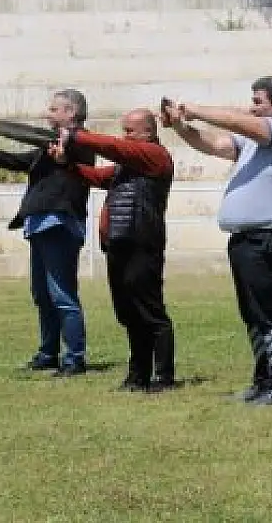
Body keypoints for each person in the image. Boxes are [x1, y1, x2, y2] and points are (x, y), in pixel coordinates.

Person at [162, 77, 272, 406]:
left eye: (258, 101)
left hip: (268, 237)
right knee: (253, 314)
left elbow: (236, 121)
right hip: (246, 239)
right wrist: (181, 126)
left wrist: (193, 109)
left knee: (269, 314)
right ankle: (263, 378)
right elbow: (214, 144)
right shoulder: (255, 142)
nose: (251, 107)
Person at [0, 89, 94, 377]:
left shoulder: (79, 141)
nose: (48, 114)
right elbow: (20, 161)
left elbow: (35, 136)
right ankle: (49, 353)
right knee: (43, 295)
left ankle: (74, 358)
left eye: (54, 109)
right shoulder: (52, 144)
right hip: (41, 224)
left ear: (71, 113)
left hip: (59, 223)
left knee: (62, 294)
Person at [54, 108, 178, 391]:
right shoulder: (129, 163)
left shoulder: (154, 155)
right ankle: (138, 375)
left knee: (150, 311)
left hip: (142, 243)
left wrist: (76, 136)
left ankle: (164, 375)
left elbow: (114, 148)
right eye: (124, 130)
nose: (125, 136)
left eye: (130, 131)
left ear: (148, 131)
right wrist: (66, 164)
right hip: (120, 244)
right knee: (128, 312)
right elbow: (98, 176)